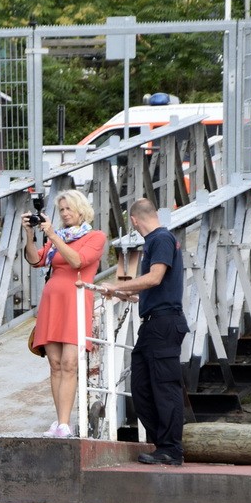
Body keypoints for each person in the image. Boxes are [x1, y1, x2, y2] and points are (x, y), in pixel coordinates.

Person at [103, 198, 190, 466]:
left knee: (164, 387)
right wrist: (135, 297)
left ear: (134, 220)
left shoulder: (160, 239)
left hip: (164, 324)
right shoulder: (156, 241)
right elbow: (157, 288)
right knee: (141, 387)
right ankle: (162, 444)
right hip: (154, 323)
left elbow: (155, 278)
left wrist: (118, 288)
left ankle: (171, 449)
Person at [22, 189, 107, 438]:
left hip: (76, 303)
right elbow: (36, 260)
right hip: (52, 303)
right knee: (55, 364)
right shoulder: (57, 236)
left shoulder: (95, 236)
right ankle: (61, 421)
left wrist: (51, 235)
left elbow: (77, 261)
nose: (65, 213)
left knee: (70, 364)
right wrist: (30, 236)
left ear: (81, 209)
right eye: (61, 210)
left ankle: (64, 424)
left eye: (69, 208)